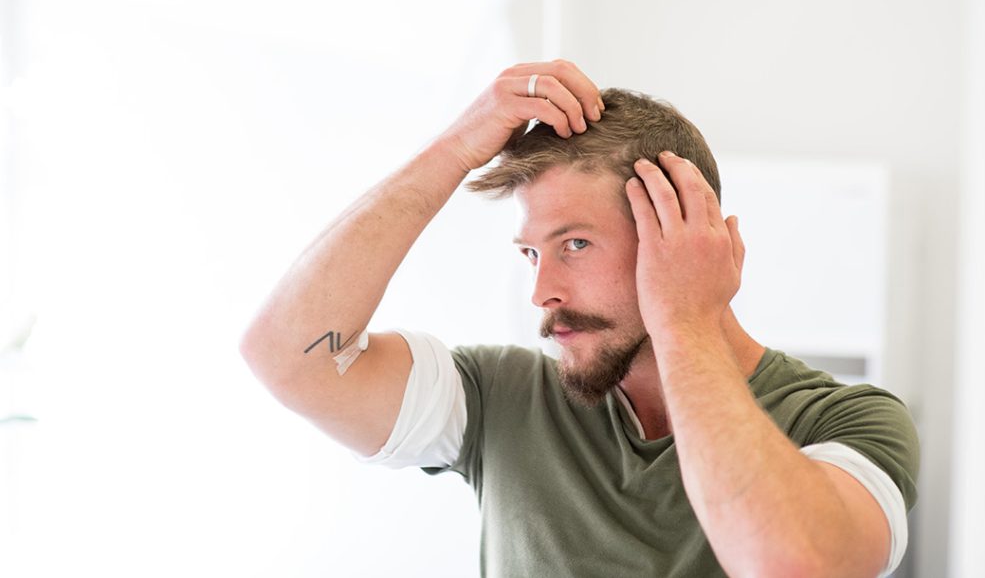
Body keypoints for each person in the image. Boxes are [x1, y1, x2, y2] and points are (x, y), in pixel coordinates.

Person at [239, 60, 919, 577]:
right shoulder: (499, 400)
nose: (542, 289)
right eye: (532, 251)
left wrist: (684, 320)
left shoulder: (850, 422)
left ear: (684, 234)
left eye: (574, 244)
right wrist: (455, 146)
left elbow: (790, 562)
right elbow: (285, 354)